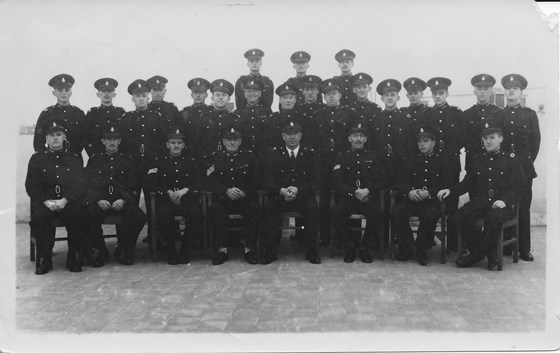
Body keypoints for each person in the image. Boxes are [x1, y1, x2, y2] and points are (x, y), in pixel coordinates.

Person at [438, 121, 525, 269]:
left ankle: (476, 256)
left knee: (493, 218)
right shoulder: (478, 160)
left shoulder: (511, 159)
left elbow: (520, 186)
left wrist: (505, 200)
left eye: (492, 138)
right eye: (485, 139)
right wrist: (451, 191)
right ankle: (486, 254)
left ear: (501, 139)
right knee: (458, 217)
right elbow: (466, 184)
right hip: (482, 202)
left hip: (502, 205)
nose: (488, 141)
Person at [25, 121, 85, 274]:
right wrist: (46, 201)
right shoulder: (37, 159)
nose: (55, 138)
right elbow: (31, 185)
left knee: (77, 216)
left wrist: (65, 200)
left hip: (68, 202)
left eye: (58, 135)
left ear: (64, 137)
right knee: (39, 219)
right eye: (51, 135)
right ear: (46, 138)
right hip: (46, 202)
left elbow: (78, 184)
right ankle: (45, 258)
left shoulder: (74, 158)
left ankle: (73, 256)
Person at [493, 74, 540, 261]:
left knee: (523, 207)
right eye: (508, 88)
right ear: (505, 91)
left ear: (521, 92)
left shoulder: (529, 115)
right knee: (504, 203)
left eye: (515, 89)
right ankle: (505, 246)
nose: (511, 91)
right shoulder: (498, 115)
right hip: (503, 169)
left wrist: (524, 163)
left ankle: (523, 249)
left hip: (524, 169)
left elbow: (535, 143)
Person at [84, 123, 146, 266]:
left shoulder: (127, 160)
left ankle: (125, 249)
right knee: (87, 215)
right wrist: (97, 199)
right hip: (101, 202)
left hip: (121, 201)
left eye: (115, 139)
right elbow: (88, 183)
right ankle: (100, 250)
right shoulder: (95, 159)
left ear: (119, 141)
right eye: (108, 139)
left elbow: (134, 184)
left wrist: (124, 200)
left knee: (139, 216)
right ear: (103, 141)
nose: (112, 142)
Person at [263, 120, 321, 265]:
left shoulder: (309, 153)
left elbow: (315, 181)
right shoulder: (274, 154)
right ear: (283, 136)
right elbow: (267, 181)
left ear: (300, 135)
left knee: (312, 209)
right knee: (269, 208)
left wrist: (298, 190)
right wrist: (281, 191)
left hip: (302, 196)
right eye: (289, 134)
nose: (292, 137)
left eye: (295, 133)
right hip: (280, 196)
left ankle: (312, 252)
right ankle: (269, 252)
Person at [145, 126, 204, 265]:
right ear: (167, 145)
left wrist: (186, 190)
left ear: (183, 145)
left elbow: (201, 182)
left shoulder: (192, 162)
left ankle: (185, 250)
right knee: (164, 214)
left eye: (179, 143)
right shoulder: (158, 162)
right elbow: (149, 184)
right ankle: (171, 250)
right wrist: (167, 192)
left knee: (196, 214)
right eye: (172, 143)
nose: (176, 146)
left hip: (187, 200)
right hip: (167, 201)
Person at [394, 127, 452, 266]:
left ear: (433, 143)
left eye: (425, 141)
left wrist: (430, 193)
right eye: (419, 141)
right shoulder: (411, 160)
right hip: (413, 200)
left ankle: (421, 249)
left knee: (429, 215)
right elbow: (400, 182)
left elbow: (447, 182)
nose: (422, 144)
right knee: (398, 211)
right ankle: (408, 246)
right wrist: (409, 192)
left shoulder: (442, 161)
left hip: (432, 201)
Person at [204, 124, 260, 265]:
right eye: (229, 140)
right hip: (224, 199)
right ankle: (222, 249)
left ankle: (249, 249)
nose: (232, 142)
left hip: (244, 199)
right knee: (215, 209)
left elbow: (257, 179)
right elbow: (209, 181)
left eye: (235, 139)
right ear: (223, 142)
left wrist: (245, 191)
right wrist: (225, 191)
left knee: (254, 208)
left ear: (240, 141)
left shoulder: (249, 157)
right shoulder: (215, 158)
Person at [315, 78, 362, 246]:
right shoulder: (319, 113)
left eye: (334, 93)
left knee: (348, 193)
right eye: (327, 94)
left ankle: (352, 237)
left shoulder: (350, 113)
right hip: (324, 160)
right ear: (324, 97)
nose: (331, 97)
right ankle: (326, 236)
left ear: (340, 94)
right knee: (325, 197)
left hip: (345, 159)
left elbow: (357, 136)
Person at [330, 123, 385, 263]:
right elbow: (337, 181)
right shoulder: (341, 157)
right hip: (348, 199)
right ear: (349, 139)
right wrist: (354, 191)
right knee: (336, 212)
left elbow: (381, 180)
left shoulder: (373, 157)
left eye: (361, 136)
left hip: (367, 198)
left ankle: (364, 247)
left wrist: (367, 191)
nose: (358, 139)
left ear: (366, 139)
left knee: (377, 213)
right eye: (355, 136)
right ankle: (349, 246)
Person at [422, 77, 465, 251]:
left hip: (451, 162)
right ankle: (428, 238)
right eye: (435, 93)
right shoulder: (426, 115)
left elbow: (463, 137)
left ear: (447, 93)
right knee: (432, 200)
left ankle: (453, 243)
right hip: (433, 163)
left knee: (452, 202)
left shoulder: (456, 114)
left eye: (441, 93)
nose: (438, 96)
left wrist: (451, 150)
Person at [119, 79, 167, 210]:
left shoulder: (156, 117)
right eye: (138, 96)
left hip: (151, 166)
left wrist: (157, 160)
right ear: (132, 99)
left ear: (148, 97)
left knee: (154, 204)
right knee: (130, 204)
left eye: (144, 96)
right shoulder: (126, 119)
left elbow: (163, 141)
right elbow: (121, 144)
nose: (141, 99)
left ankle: (153, 231)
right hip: (132, 166)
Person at [33, 74, 86, 159]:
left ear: (71, 93)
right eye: (60, 89)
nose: (64, 92)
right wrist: (44, 159)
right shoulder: (47, 113)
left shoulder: (78, 113)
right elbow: (38, 142)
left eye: (67, 89)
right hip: (52, 159)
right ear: (54, 93)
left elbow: (85, 138)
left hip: (74, 160)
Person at [463, 74, 502, 168]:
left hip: (494, 162)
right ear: (474, 91)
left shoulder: (499, 113)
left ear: (491, 91)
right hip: (473, 160)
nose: (482, 91)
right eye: (479, 88)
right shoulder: (467, 114)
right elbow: (462, 138)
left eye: (485, 88)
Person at [195, 79, 239, 160]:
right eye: (217, 95)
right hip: (208, 161)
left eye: (224, 95)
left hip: (229, 162)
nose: (221, 98)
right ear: (212, 98)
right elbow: (198, 144)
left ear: (229, 98)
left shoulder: (235, 119)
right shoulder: (204, 119)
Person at [84, 78, 126, 157]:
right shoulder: (92, 113)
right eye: (103, 91)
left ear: (114, 94)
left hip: (118, 157)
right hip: (97, 157)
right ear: (98, 94)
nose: (106, 94)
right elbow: (86, 137)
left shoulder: (120, 112)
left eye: (109, 91)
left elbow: (125, 137)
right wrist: (93, 155)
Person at [264, 82, 302, 150]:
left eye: (291, 98)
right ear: (280, 100)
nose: (288, 100)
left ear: (295, 100)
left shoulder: (302, 118)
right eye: (285, 98)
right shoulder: (273, 119)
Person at [180, 78, 213, 152]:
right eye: (195, 92)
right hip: (189, 153)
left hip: (208, 153)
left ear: (206, 95)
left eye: (201, 92)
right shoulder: (184, 113)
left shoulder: (212, 112)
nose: (198, 95)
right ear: (191, 95)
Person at [399, 77, 430, 155]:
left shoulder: (429, 111)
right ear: (407, 95)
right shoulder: (402, 112)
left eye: (416, 93)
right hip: (408, 153)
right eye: (410, 93)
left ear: (421, 94)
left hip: (424, 153)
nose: (413, 96)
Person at [298, 75, 324, 147]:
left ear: (318, 91)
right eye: (307, 89)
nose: (310, 92)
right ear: (302, 91)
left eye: (313, 89)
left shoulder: (324, 109)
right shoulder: (297, 110)